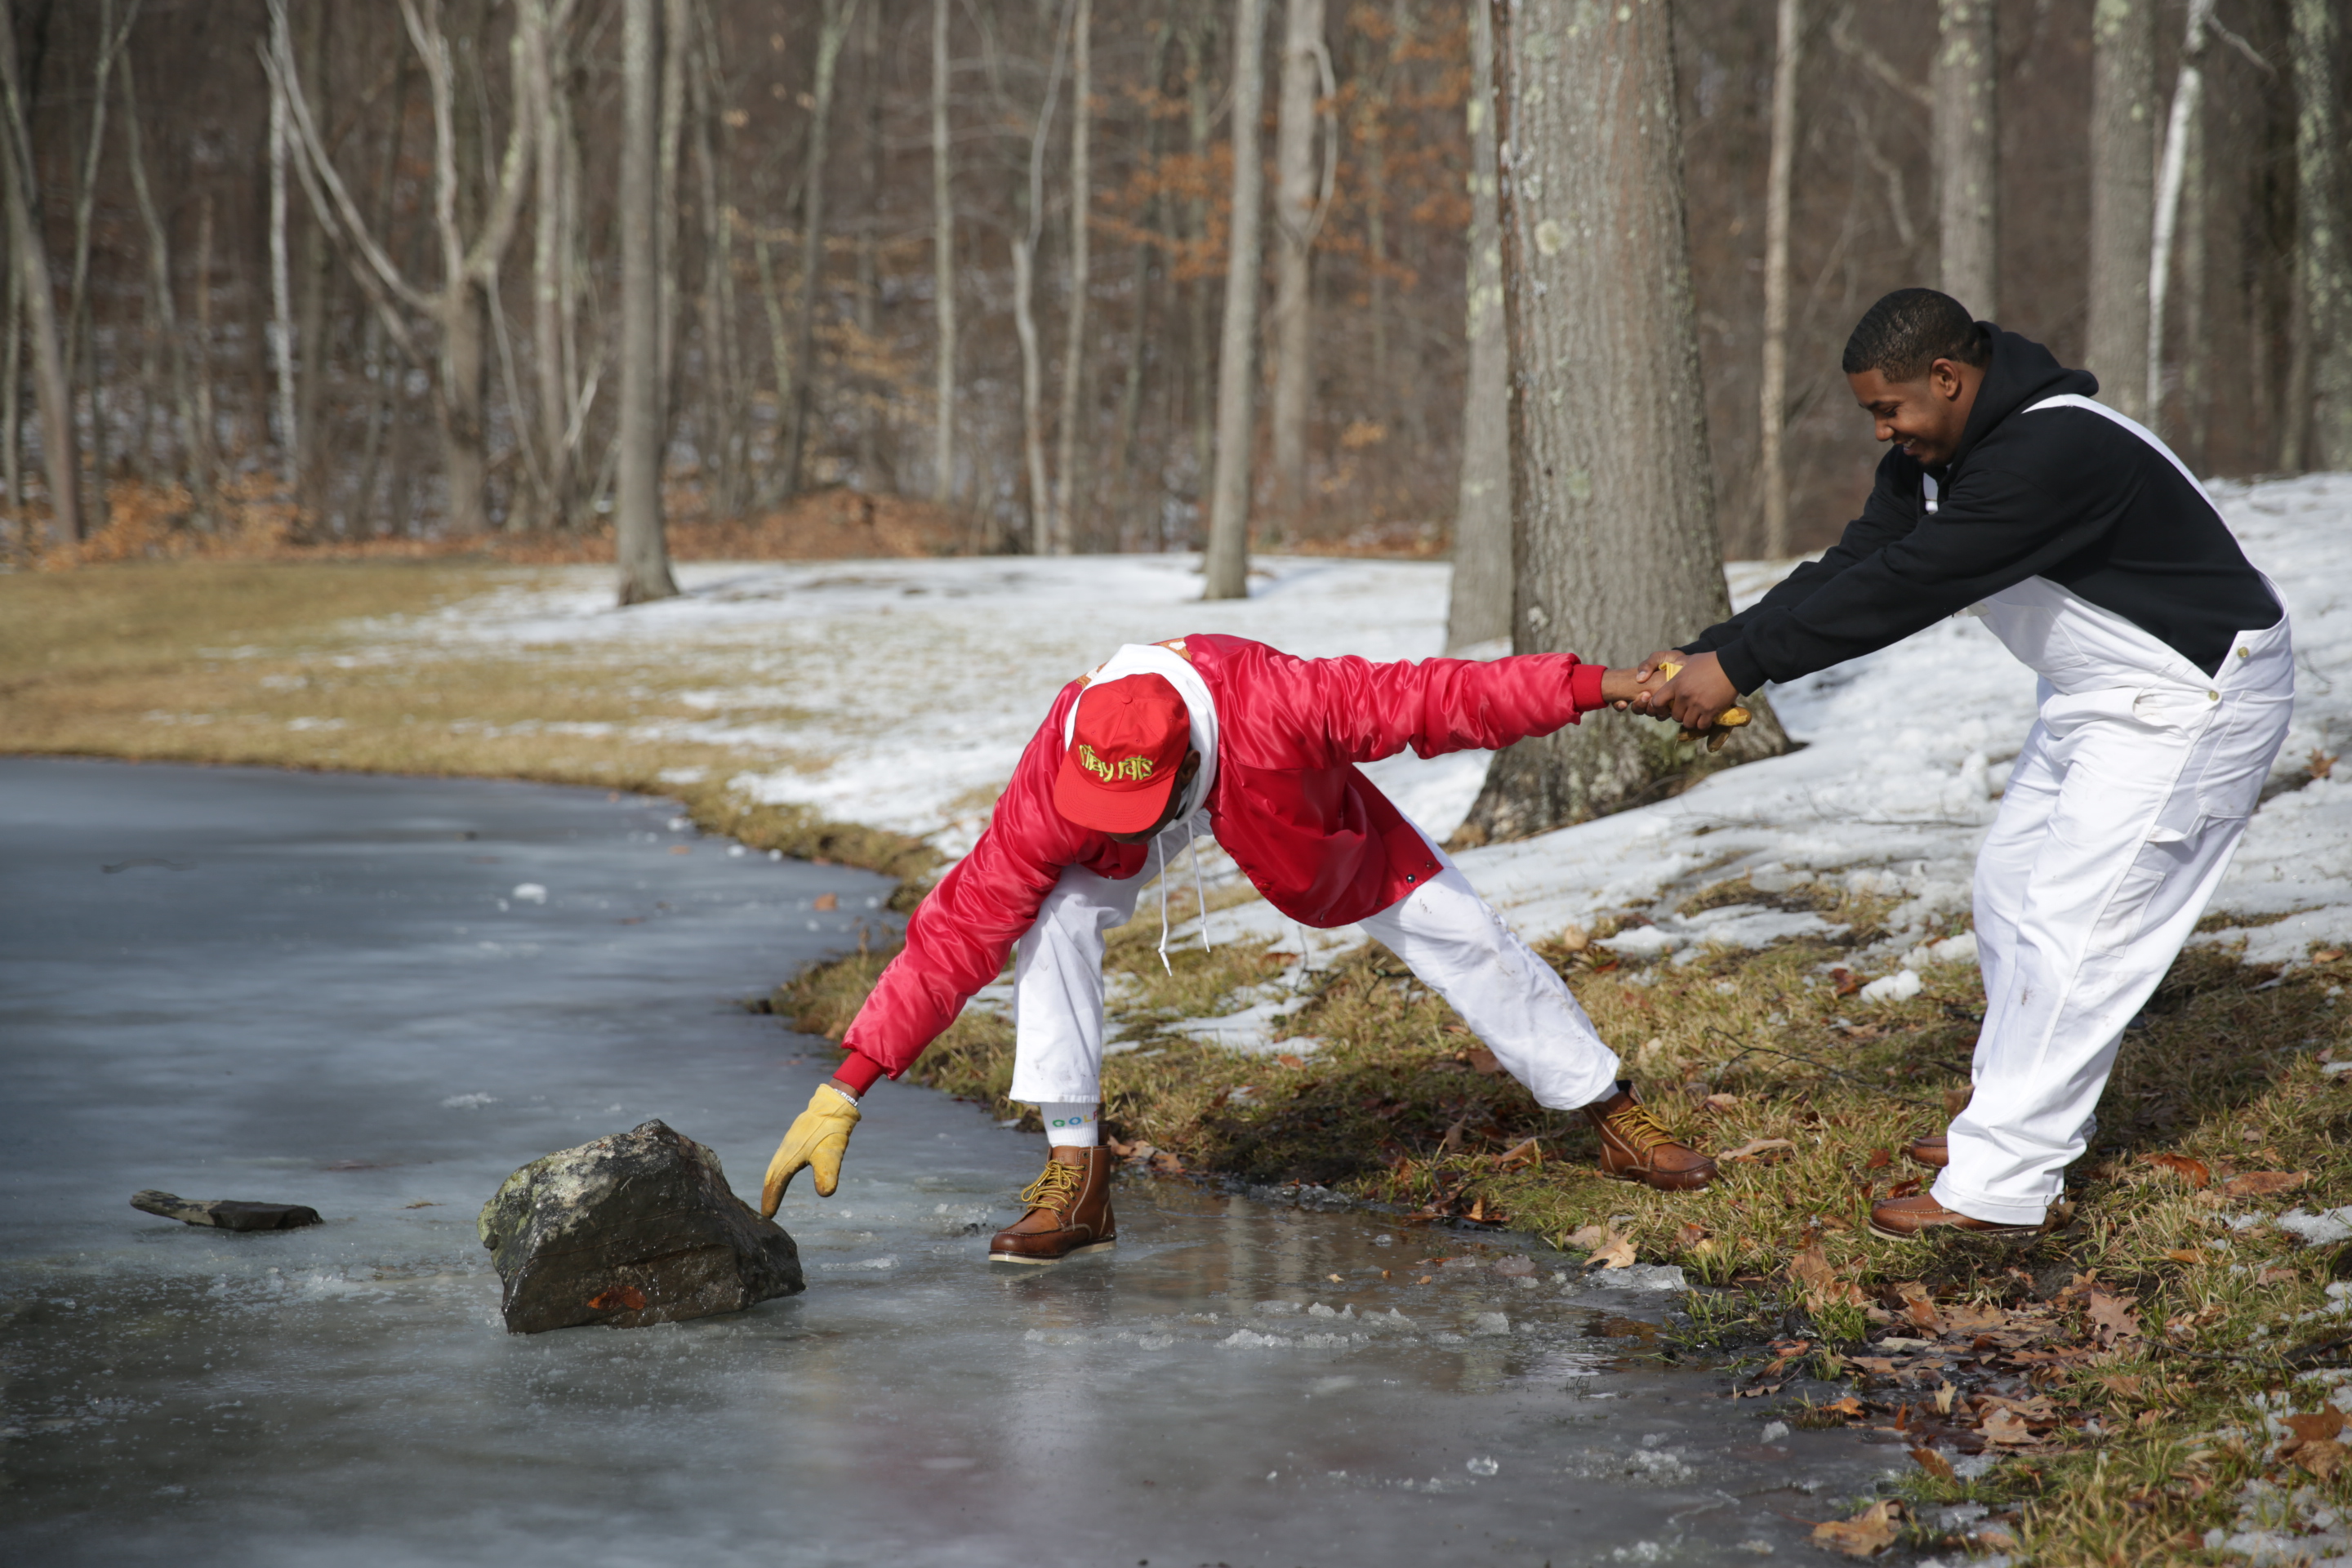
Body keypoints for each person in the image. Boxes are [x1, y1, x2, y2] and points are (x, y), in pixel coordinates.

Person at [1638, 287, 2292, 1240]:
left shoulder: (2051, 451)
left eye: (1888, 409)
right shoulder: (1940, 452)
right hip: (2100, 695)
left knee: (2080, 929)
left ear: (1948, 379)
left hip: (2188, 698)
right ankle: (2007, 1117)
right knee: (2012, 890)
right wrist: (1716, 648)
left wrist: (1741, 668)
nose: (1881, 431)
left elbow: (1912, 586)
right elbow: (1860, 559)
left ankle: (2004, 1185)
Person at [760, 635, 1721, 1261]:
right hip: (1156, 785)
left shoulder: (1281, 701)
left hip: (1292, 809)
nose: (1130, 829)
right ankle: (1079, 1178)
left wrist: (1602, 687)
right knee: (1052, 919)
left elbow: (1441, 697)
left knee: (1459, 929)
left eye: (1143, 808)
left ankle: (1607, 1106)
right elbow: (962, 922)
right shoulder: (1067, 758)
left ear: (1181, 765)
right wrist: (845, 1083)